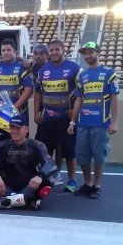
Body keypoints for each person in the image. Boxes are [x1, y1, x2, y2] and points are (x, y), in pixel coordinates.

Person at [68, 41, 119, 199]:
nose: (88, 55)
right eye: (85, 53)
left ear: (97, 52)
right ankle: (87, 184)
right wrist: (72, 122)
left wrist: (114, 122)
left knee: (99, 156)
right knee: (82, 155)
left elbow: (114, 98)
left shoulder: (109, 72)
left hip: (101, 123)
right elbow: (79, 99)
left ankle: (97, 186)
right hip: (83, 123)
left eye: (90, 52)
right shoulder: (82, 76)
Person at [34, 39, 82, 192]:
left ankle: (72, 180)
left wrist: (74, 111)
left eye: (57, 50)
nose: (54, 52)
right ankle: (47, 177)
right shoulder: (43, 70)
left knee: (68, 151)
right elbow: (38, 93)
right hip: (47, 118)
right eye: (51, 50)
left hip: (65, 118)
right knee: (44, 150)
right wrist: (36, 112)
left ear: (63, 51)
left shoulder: (74, 68)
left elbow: (82, 91)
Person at [0, 115, 58, 210]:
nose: (14, 131)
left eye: (18, 128)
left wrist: (40, 176)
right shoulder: (1, 145)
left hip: (30, 185)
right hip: (7, 185)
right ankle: (27, 201)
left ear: (27, 130)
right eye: (12, 128)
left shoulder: (37, 145)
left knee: (49, 179)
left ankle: (3, 202)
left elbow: (50, 164)